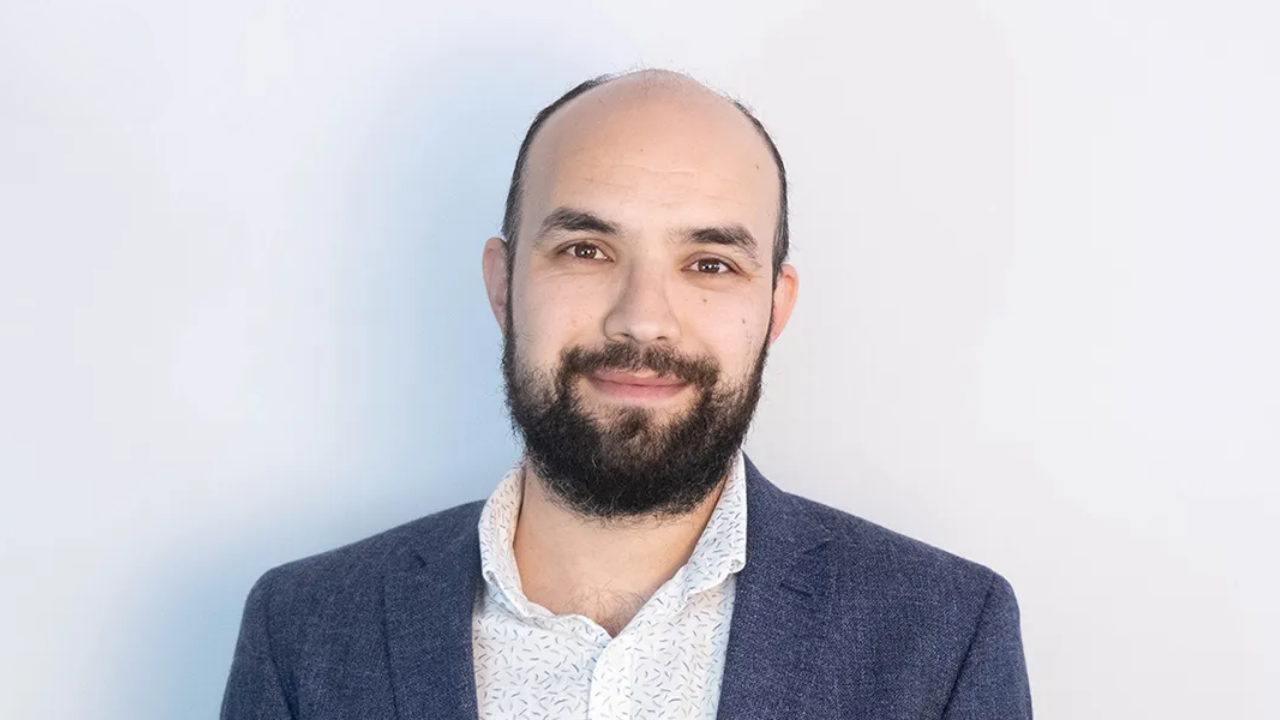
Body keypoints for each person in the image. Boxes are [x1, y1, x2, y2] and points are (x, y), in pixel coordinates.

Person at [221, 69, 1033, 720]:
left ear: (773, 309)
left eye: (710, 264)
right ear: (504, 286)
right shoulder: (304, 631)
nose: (643, 319)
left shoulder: (944, 637)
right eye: (586, 249)